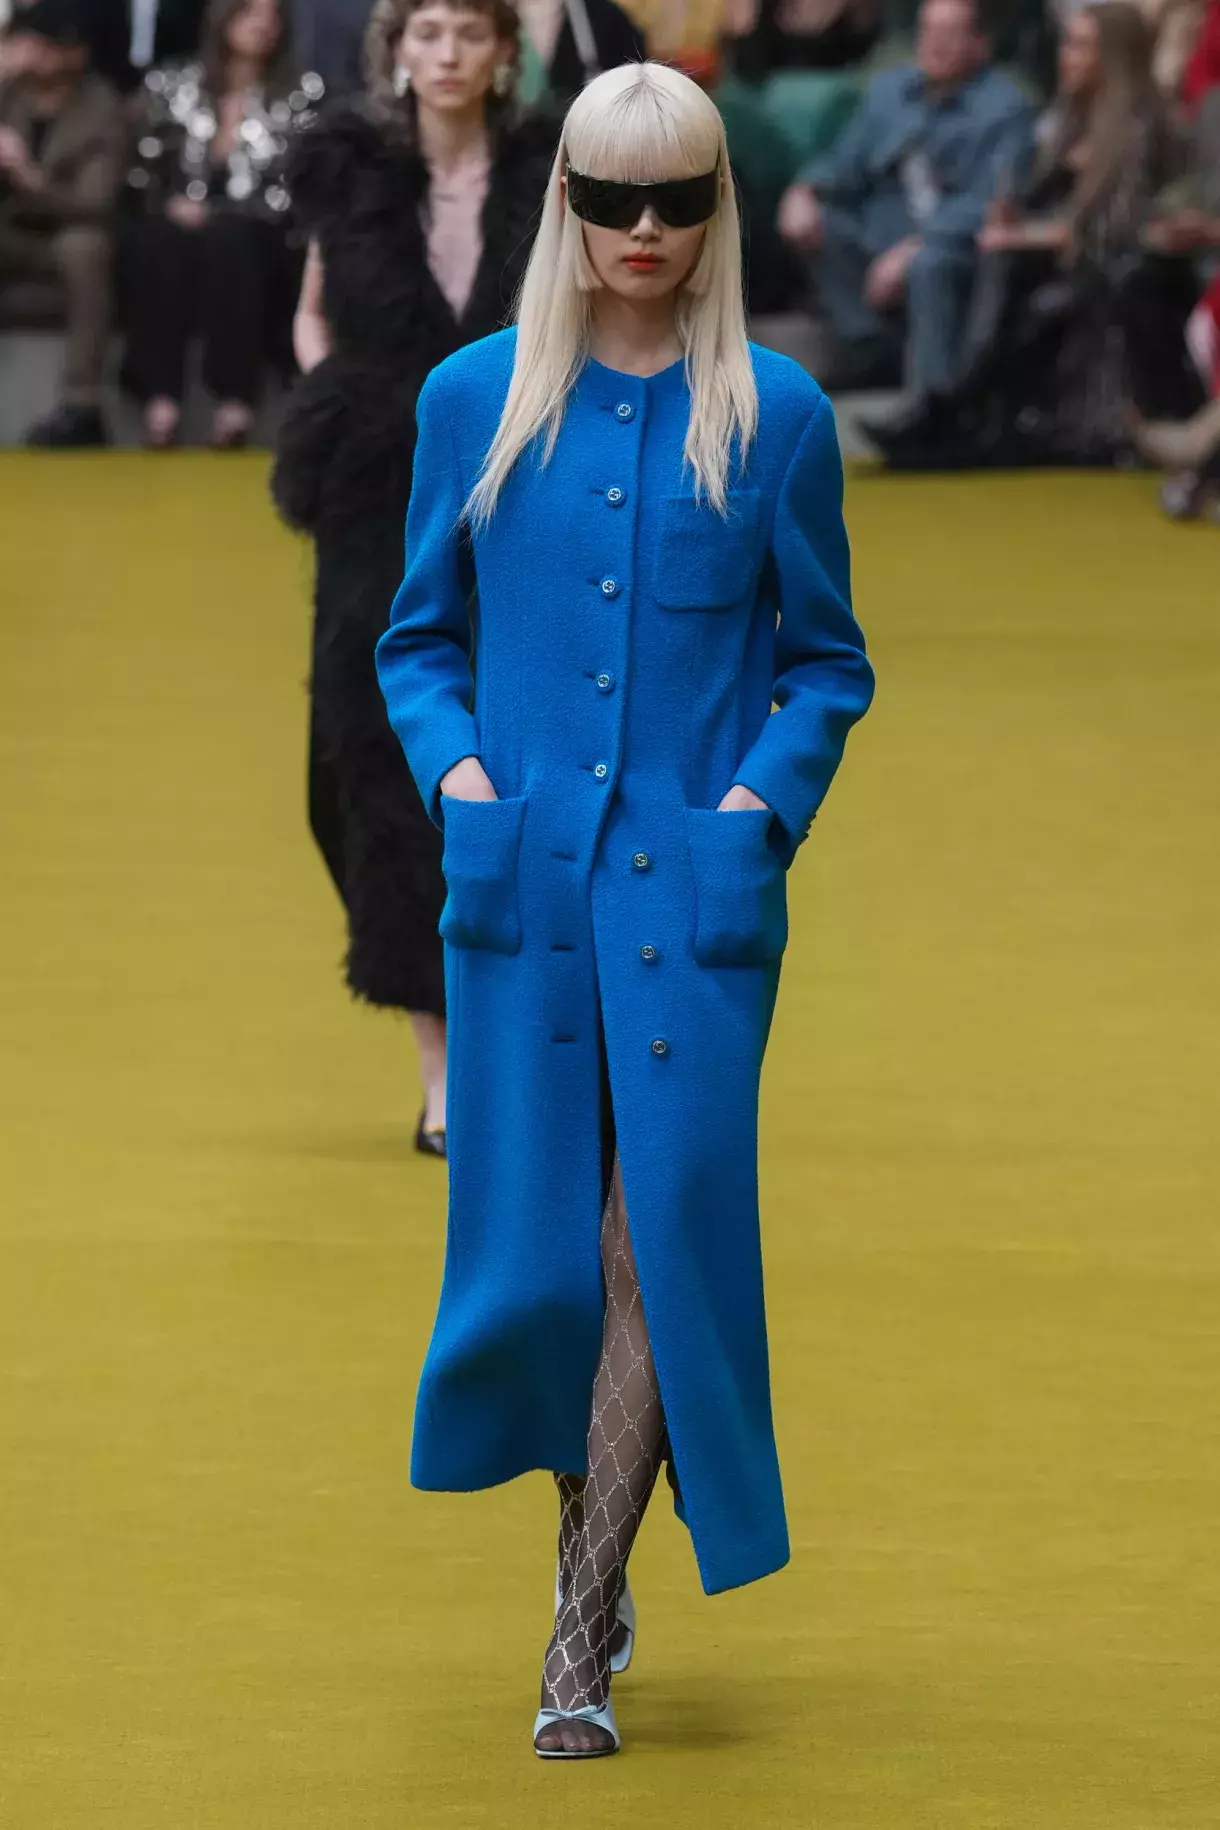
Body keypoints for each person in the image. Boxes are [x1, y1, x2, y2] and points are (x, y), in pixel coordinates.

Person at [375, 60, 874, 1755]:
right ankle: (590, 1534)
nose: (642, 231)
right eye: (609, 198)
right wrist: (463, 781)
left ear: (716, 209)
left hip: (697, 908)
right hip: (522, 888)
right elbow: (417, 637)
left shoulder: (777, 415)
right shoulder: (474, 400)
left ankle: (577, 1634)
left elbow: (826, 664)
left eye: (675, 200)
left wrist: (753, 809)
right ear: (566, 205)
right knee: (545, 1262)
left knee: (655, 1234)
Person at [271, 0, 553, 1156]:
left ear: (503, 54)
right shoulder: (348, 176)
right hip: (374, 487)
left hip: (518, 486)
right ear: (395, 50)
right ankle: (437, 1056)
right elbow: (311, 317)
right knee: (357, 766)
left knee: (502, 757)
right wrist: (343, 397)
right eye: (425, 32)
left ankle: (483, 1056)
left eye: (467, 34)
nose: (444, 54)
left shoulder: (551, 179)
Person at [870, 2, 1185, 467]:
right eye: (1069, 44)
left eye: (1081, 47)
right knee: (958, 259)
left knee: (1002, 261)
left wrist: (1023, 238)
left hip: (1097, 265)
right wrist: (1013, 219)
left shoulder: (1139, 129)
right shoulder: (1067, 122)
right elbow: (1044, 208)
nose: (1066, 56)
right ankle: (945, 403)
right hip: (1048, 257)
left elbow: (1114, 230)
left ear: (1113, 57)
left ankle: (959, 399)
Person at [776, 0, 1033, 390]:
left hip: (951, 244)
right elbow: (844, 162)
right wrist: (803, 190)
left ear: (980, 44)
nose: (936, 44)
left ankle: (932, 397)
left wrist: (915, 246)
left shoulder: (1006, 109)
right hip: (879, 234)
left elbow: (990, 202)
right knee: (816, 223)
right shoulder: (889, 93)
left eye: (950, 34)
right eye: (928, 31)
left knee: (929, 263)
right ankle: (871, 350)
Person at [119, 0, 319, 449]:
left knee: (234, 242)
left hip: (262, 228)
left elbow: (298, 184)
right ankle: (161, 399)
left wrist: (224, 212)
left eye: (272, 17)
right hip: (179, 220)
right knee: (156, 242)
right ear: (224, 18)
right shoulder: (172, 84)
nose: (262, 25)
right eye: (251, 14)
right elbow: (142, 171)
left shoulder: (300, 93)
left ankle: (235, 400)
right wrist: (170, 203)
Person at [0, 0, 126, 446]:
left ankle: (81, 406)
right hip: (10, 231)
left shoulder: (102, 107)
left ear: (76, 52)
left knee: (85, 247)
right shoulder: (8, 92)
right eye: (30, 41)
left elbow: (94, 203)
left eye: (46, 44)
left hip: (64, 234)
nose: (33, 51)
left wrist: (27, 176)